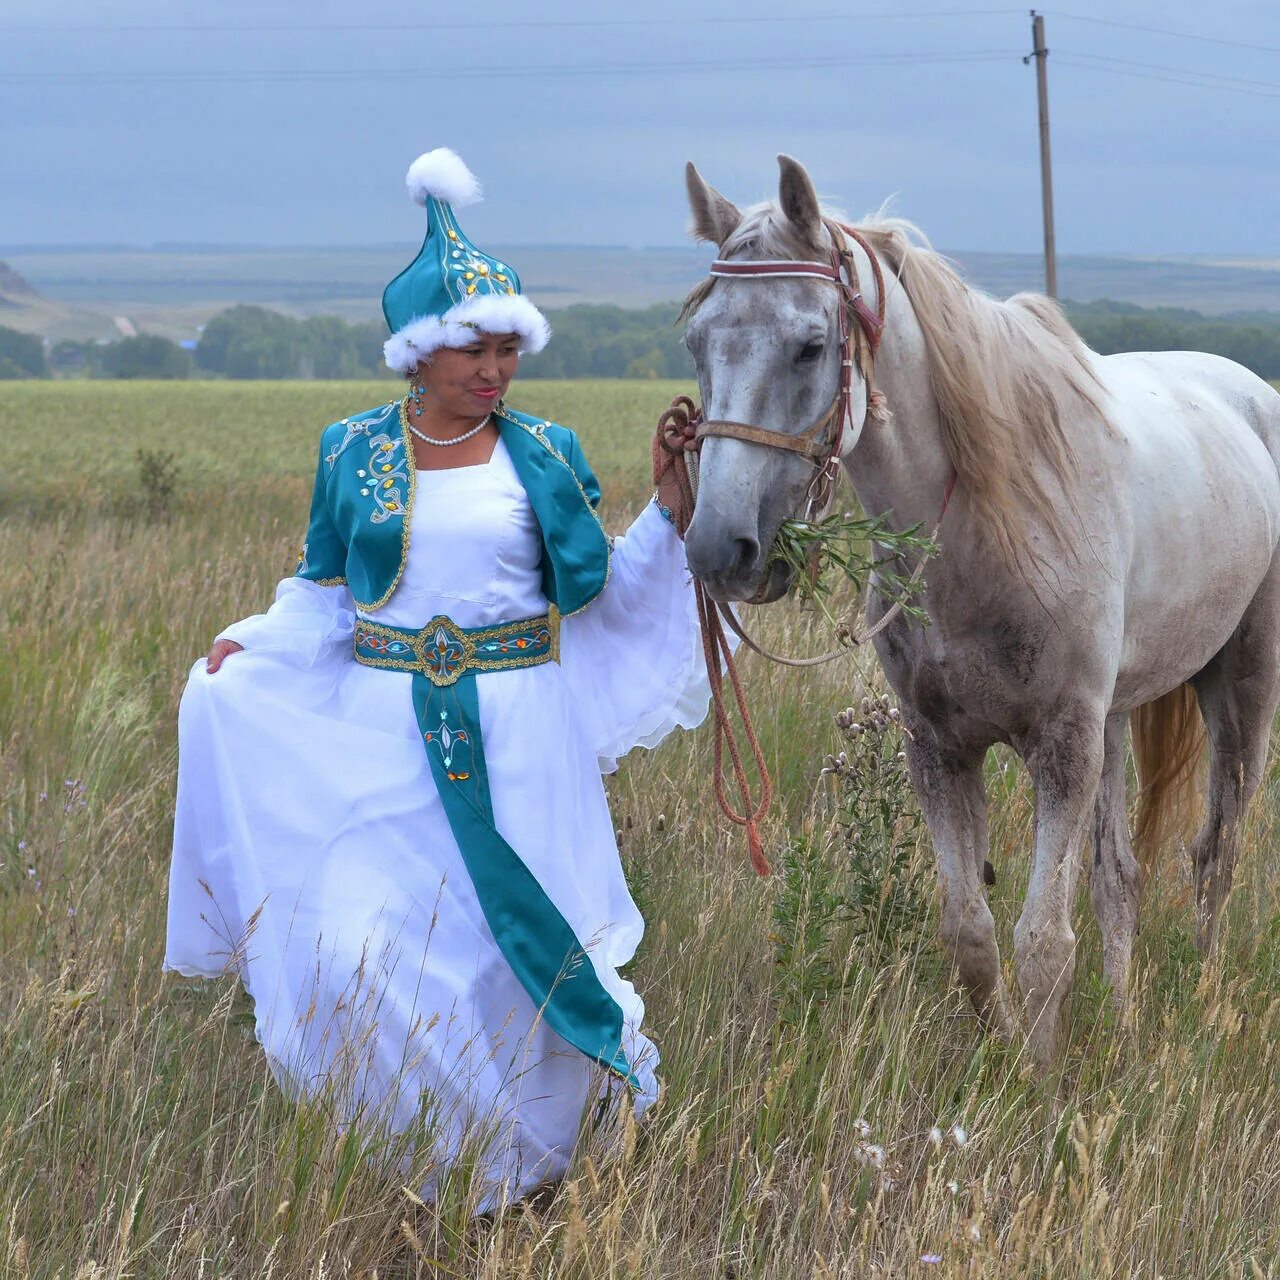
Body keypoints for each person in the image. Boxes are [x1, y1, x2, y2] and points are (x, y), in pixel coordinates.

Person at [164, 148, 707, 1211]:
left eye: (507, 348)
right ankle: (422, 1161)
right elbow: (324, 596)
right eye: (473, 350)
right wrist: (248, 651)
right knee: (358, 945)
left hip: (519, 742)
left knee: (516, 964)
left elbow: (595, 589)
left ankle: (532, 1173)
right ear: (420, 352)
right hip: (381, 739)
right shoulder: (352, 450)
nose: (494, 369)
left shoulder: (543, 451)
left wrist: (669, 505)